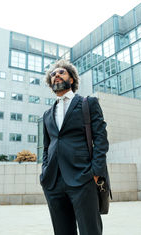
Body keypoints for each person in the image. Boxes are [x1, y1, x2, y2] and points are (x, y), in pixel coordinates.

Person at [40, 59, 109, 235]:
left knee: (90, 230)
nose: (56, 75)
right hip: (53, 181)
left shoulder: (88, 103)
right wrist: (45, 173)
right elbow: (47, 147)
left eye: (61, 72)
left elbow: (101, 139)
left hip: (83, 177)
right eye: (53, 74)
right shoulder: (47, 114)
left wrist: (95, 172)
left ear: (71, 80)